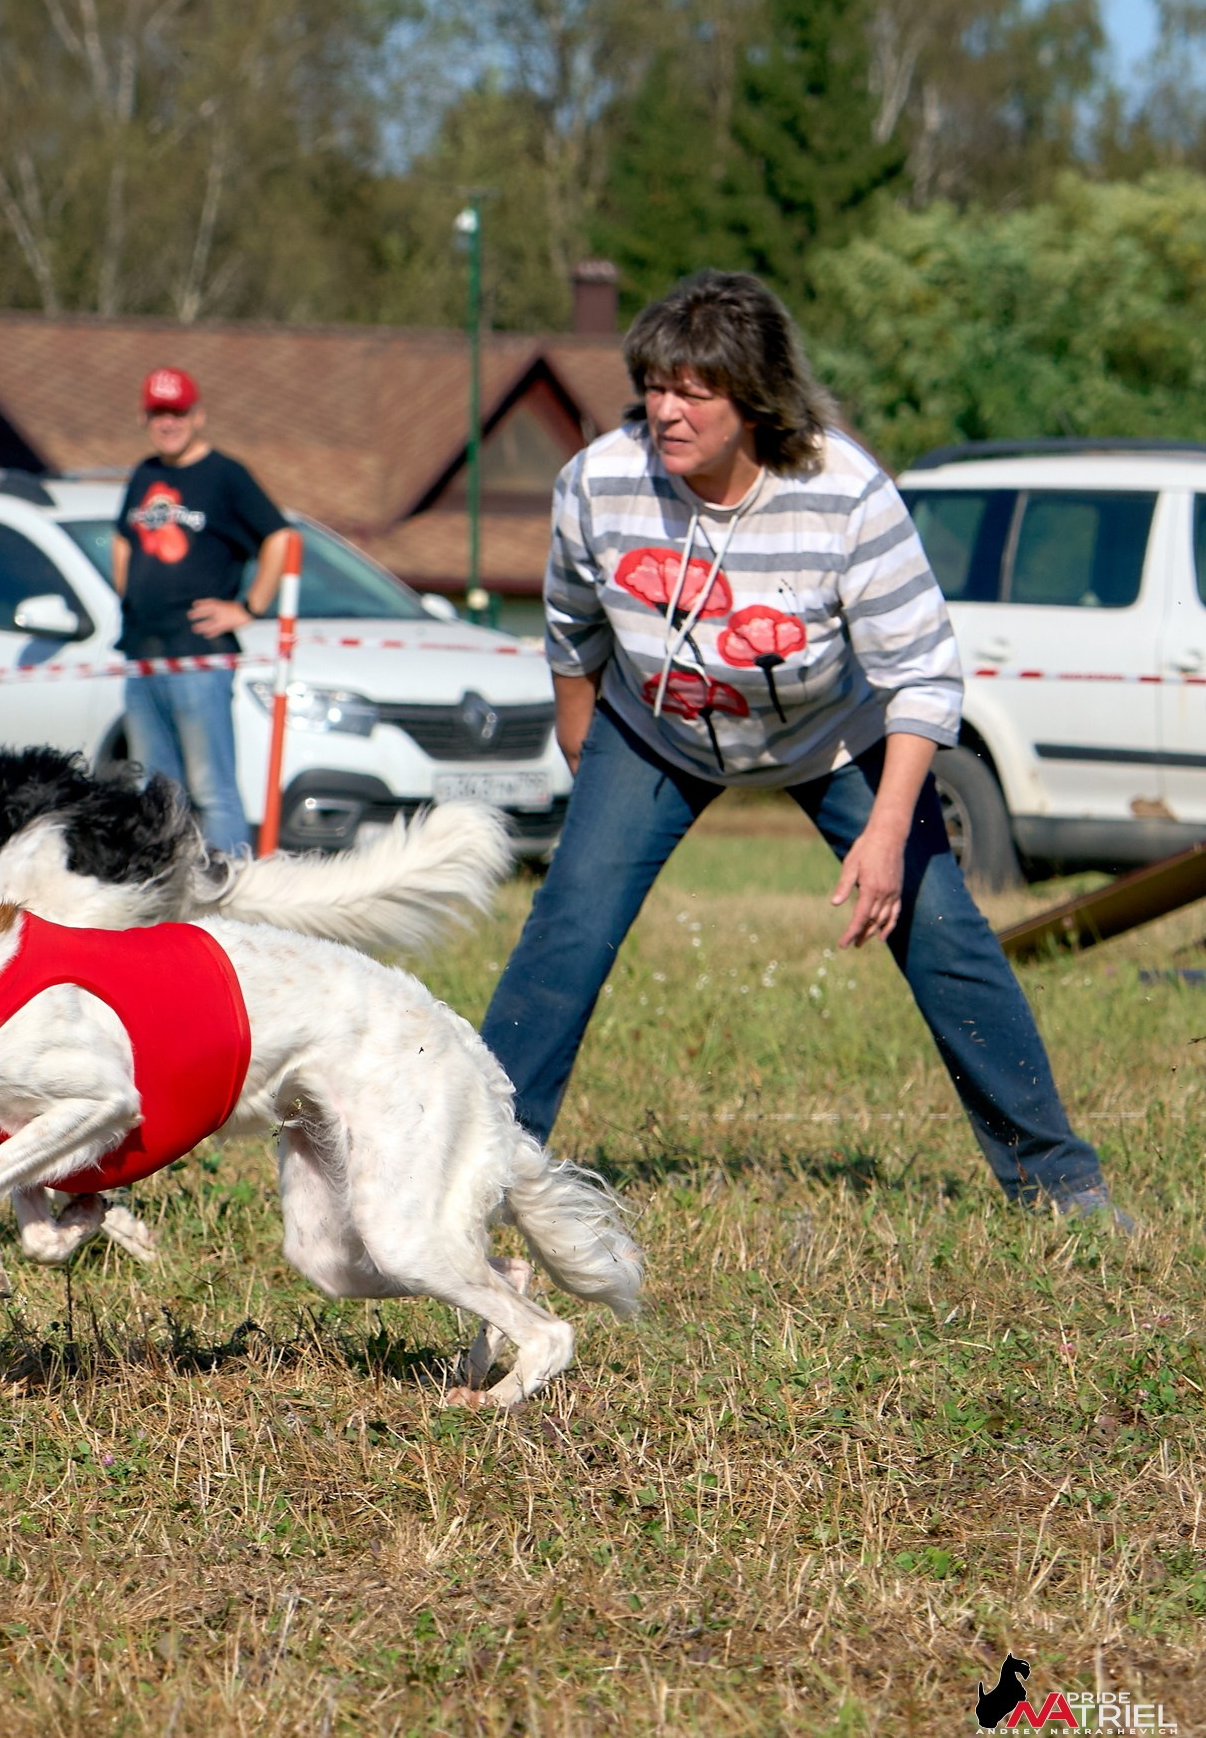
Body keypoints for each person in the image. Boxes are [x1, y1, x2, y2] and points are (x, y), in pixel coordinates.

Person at [479, 270, 1127, 1226]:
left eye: (695, 391)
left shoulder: (844, 493)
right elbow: (573, 624)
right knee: (564, 931)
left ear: (757, 399)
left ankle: (1059, 1184)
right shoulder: (600, 481)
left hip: (835, 737)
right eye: (655, 385)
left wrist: (888, 836)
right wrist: (585, 745)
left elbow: (922, 677)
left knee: (946, 932)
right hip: (656, 731)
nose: (666, 409)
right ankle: (480, 1167)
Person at [112, 366, 294, 856]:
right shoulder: (145, 473)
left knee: (211, 789)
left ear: (198, 415)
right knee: (153, 792)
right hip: (144, 651)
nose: (167, 423)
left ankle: (229, 895)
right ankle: (165, 899)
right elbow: (122, 536)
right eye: (157, 414)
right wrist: (129, 591)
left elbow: (279, 536)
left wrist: (250, 606)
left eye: (177, 413)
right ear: (145, 418)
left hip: (199, 656)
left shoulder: (226, 476)